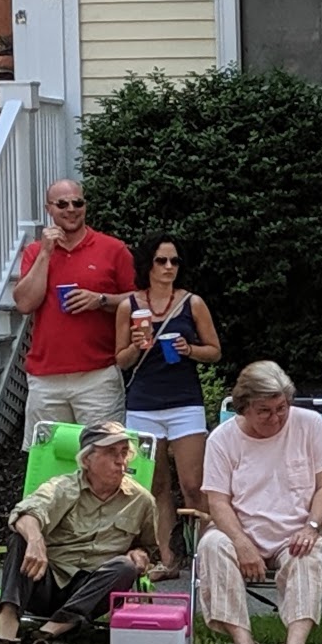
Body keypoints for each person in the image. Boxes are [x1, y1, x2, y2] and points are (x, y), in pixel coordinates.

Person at [0, 420, 157, 644]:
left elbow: (149, 547)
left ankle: (44, 636)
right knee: (20, 537)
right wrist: (36, 539)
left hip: (90, 591)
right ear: (87, 459)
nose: (120, 461)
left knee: (124, 567)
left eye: (124, 452)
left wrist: (141, 556)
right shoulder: (62, 487)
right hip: (44, 581)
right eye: (111, 453)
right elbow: (24, 513)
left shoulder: (141, 501)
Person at [194, 361, 322, 644]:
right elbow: (217, 501)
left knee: (307, 553)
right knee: (212, 545)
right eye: (265, 411)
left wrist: (311, 527)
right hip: (241, 528)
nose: (275, 418)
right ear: (243, 408)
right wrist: (242, 543)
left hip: (298, 529)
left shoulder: (310, 424)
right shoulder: (222, 440)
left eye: (281, 408)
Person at [115, 236, 218, 574]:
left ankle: (207, 557)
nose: (169, 267)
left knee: (194, 484)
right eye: (162, 261)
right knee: (156, 485)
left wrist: (190, 350)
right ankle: (168, 558)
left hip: (184, 402)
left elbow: (215, 351)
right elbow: (121, 361)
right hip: (144, 404)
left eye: (174, 261)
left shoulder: (193, 303)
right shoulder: (129, 306)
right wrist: (137, 346)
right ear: (148, 264)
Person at [12, 177, 136, 445]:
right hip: (46, 378)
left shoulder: (112, 249)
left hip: (98, 374)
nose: (70, 209)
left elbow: (139, 299)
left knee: (105, 455)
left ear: (85, 206)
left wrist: (101, 300)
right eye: (62, 204)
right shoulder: (35, 252)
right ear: (49, 209)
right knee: (48, 463)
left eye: (77, 202)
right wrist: (46, 253)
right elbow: (24, 304)